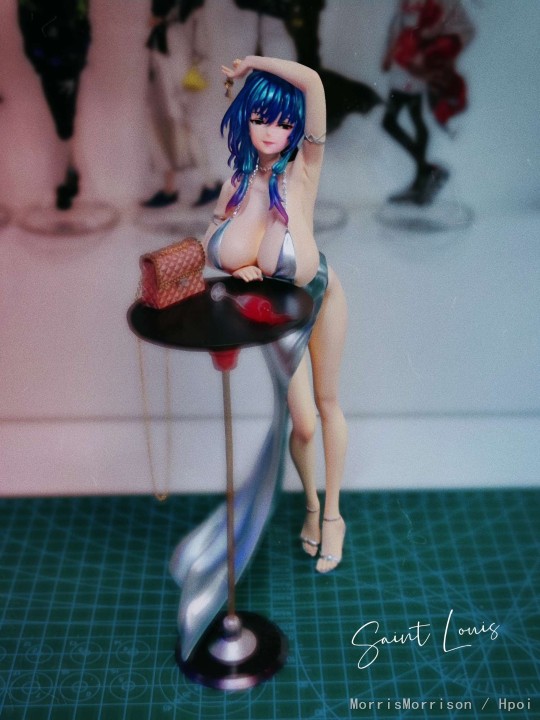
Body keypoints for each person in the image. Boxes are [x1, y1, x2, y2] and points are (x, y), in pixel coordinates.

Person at [203, 56, 348, 574]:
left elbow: (312, 82)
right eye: (262, 118)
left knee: (328, 405)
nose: (272, 131)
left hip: (322, 292)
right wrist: (234, 267)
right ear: (245, 116)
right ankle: (310, 503)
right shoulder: (237, 186)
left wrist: (252, 64)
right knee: (303, 425)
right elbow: (210, 244)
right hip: (280, 315)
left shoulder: (304, 169)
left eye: (284, 123)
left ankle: (332, 516)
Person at [381, 0, 475, 205]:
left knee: (392, 121)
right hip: (403, 64)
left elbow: (459, 31)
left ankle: (425, 171)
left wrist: (430, 53)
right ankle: (424, 174)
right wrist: (389, 53)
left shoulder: (439, 5)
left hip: (413, 68)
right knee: (412, 119)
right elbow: (398, 24)